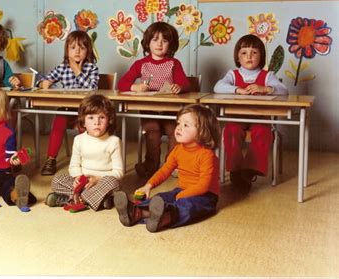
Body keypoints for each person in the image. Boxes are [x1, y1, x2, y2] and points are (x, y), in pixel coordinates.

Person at [114, 104, 220, 233]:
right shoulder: (178, 149)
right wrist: (148, 185)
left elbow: (203, 185)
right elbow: (165, 170)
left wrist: (182, 196)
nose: (179, 128)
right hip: (181, 190)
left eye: (186, 125)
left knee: (187, 206)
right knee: (161, 198)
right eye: (179, 123)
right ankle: (136, 211)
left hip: (205, 196)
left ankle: (166, 218)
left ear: (203, 131)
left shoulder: (207, 155)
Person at [214, 34, 288, 192]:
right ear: (238, 57)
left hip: (260, 119)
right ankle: (235, 170)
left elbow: (284, 90)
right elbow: (218, 87)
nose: (249, 56)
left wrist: (267, 88)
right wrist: (236, 89)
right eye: (244, 53)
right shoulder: (232, 75)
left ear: (261, 56)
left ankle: (249, 170)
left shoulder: (267, 76)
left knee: (263, 132)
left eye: (254, 52)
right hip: (236, 118)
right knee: (230, 131)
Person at [117, 21, 191, 178]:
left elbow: (185, 84)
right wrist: (135, 87)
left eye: (164, 41)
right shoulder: (141, 64)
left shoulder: (174, 63)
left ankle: (172, 164)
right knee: (152, 130)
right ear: (147, 43)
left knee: (175, 131)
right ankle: (151, 165)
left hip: (171, 112)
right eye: (155, 39)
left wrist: (179, 87)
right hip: (149, 110)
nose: (159, 44)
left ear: (170, 45)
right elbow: (122, 83)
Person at [45, 94, 123, 211]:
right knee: (57, 180)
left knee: (113, 183)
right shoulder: (79, 140)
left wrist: (97, 179)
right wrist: (77, 177)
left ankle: (71, 199)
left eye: (101, 117)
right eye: (91, 118)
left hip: (102, 182)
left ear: (109, 120)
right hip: (83, 183)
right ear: (83, 122)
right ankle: (95, 200)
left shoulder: (114, 142)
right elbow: (74, 165)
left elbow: (119, 172)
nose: (96, 122)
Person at [37, 30, 99, 176]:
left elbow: (92, 89)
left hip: (85, 111)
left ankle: (87, 161)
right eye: (73, 48)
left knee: (85, 129)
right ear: (67, 50)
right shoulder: (61, 68)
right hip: (66, 108)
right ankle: (51, 159)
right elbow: (45, 80)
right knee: (58, 124)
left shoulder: (92, 68)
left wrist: (77, 70)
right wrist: (43, 83)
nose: (77, 51)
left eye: (82, 48)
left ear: (88, 51)